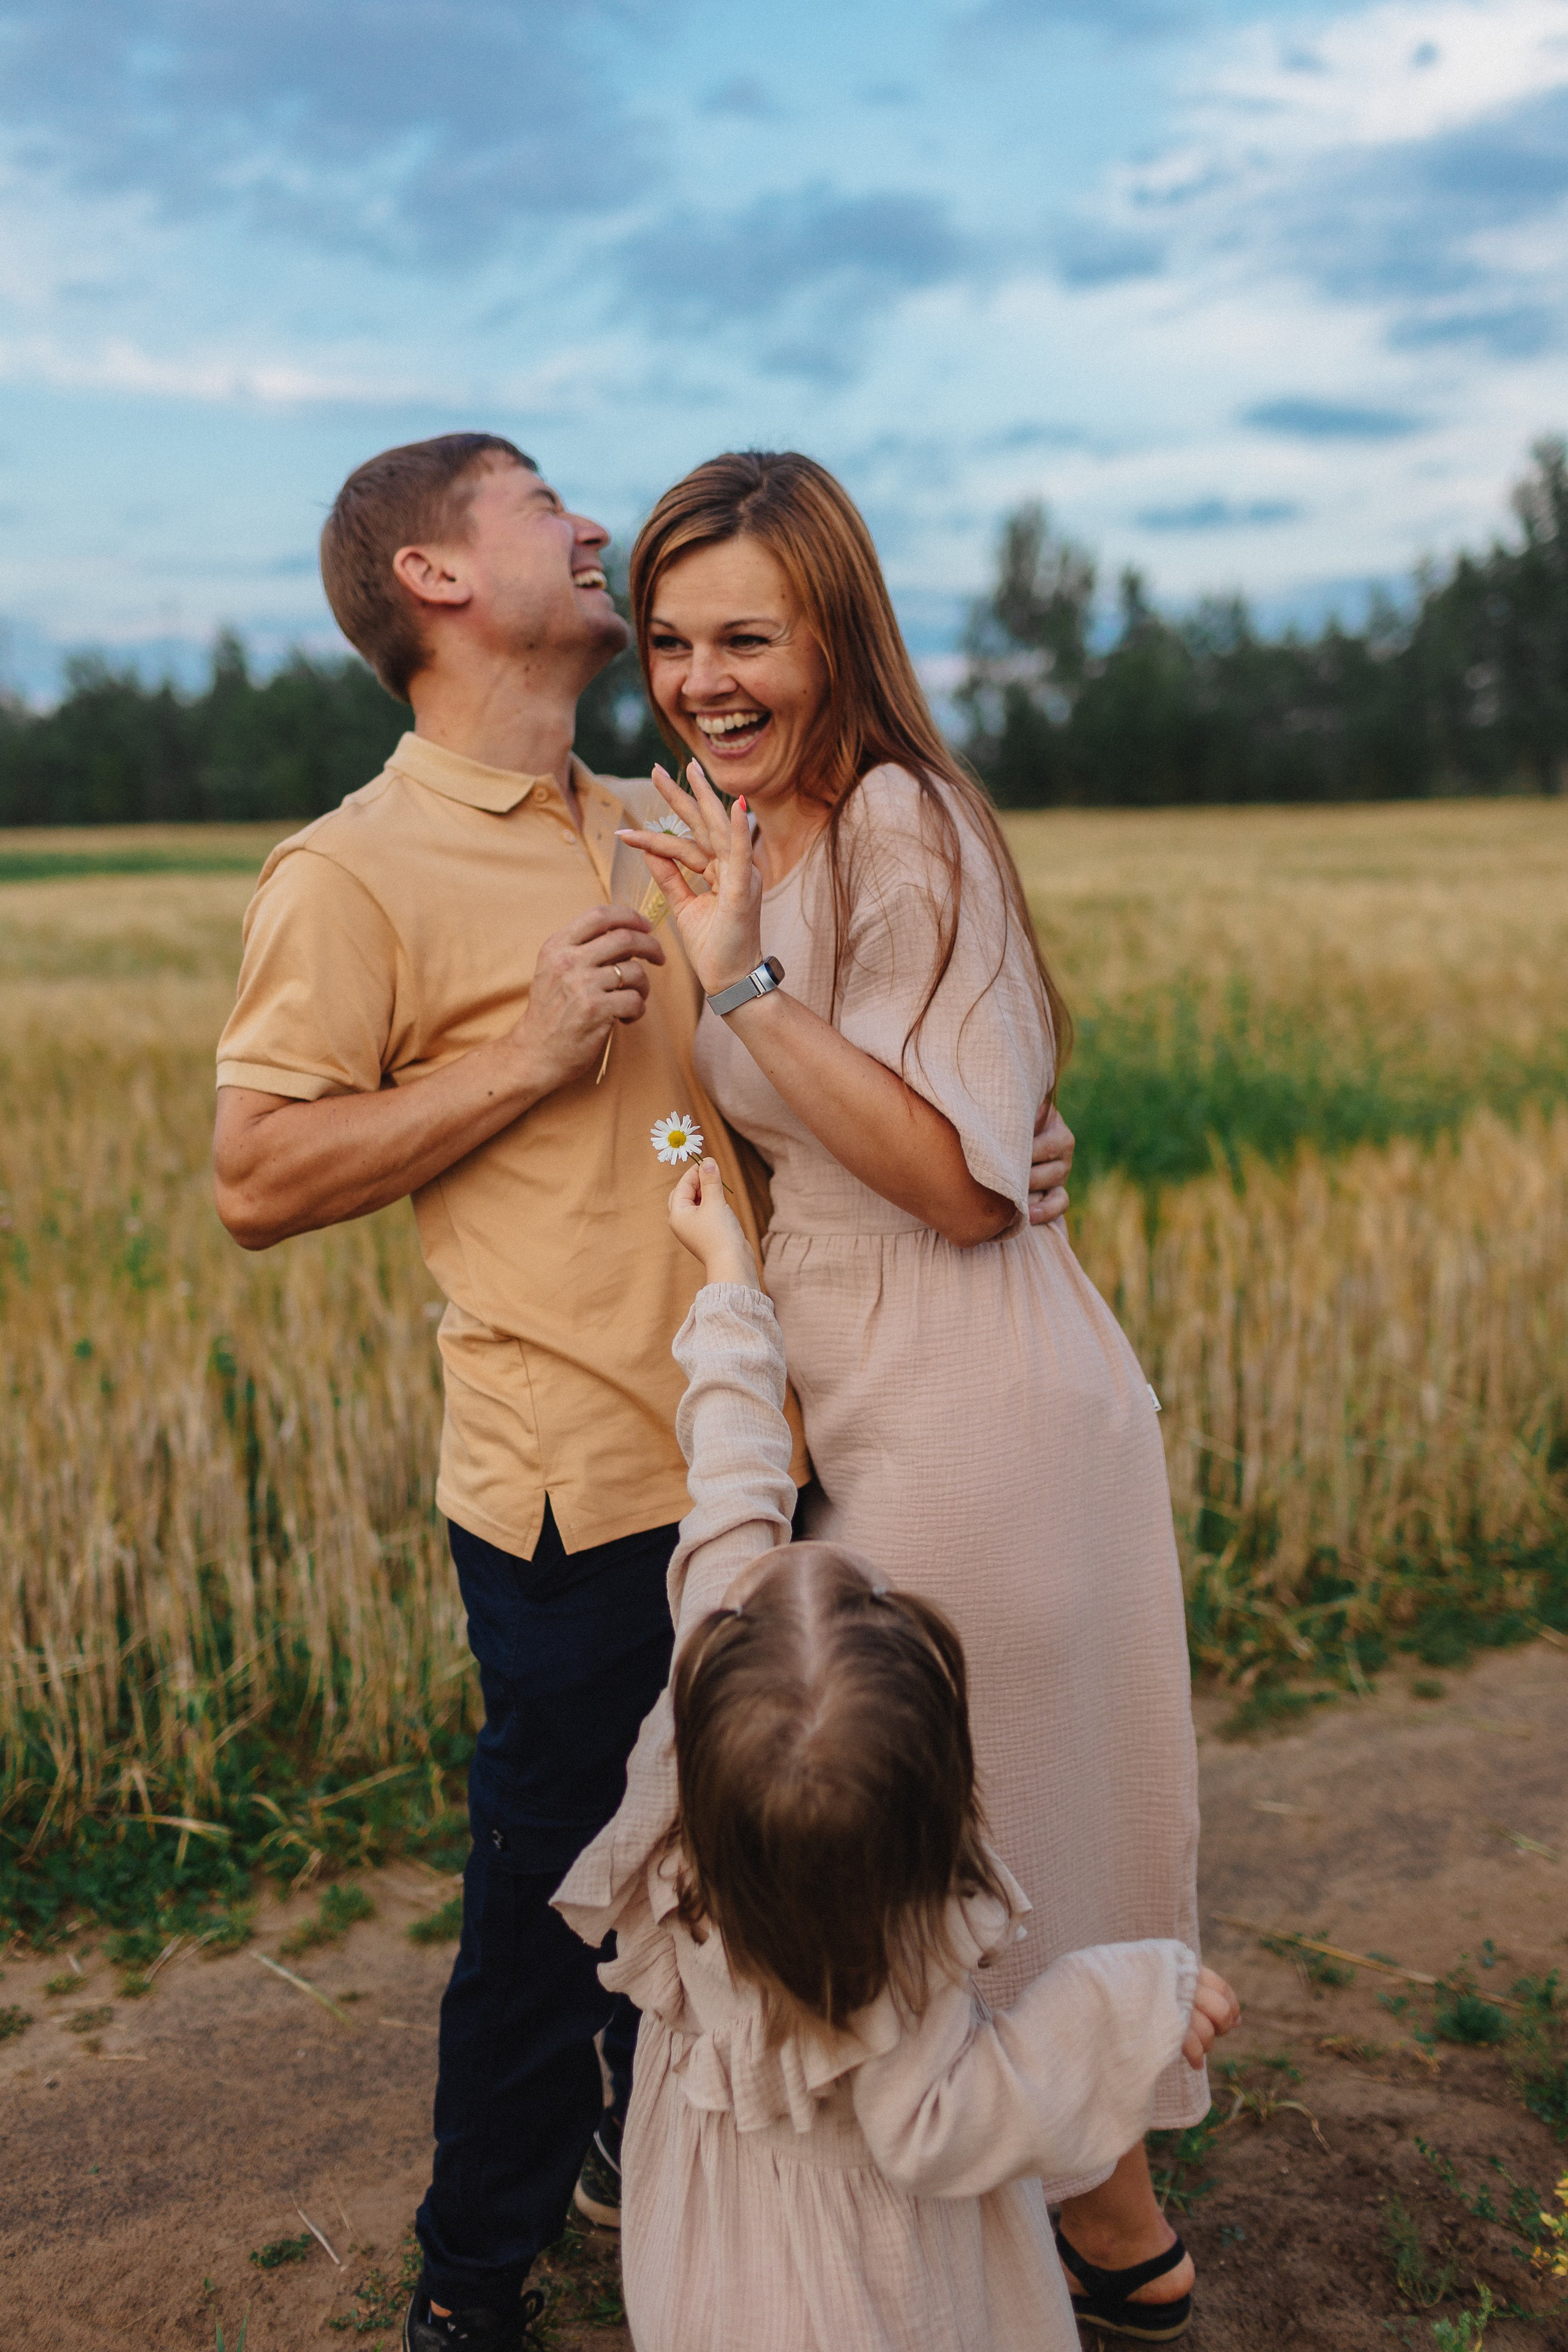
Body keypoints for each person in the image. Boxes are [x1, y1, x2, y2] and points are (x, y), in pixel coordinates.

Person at [210, 432, 1074, 2352]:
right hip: (576, 1483)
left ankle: (766, 2183)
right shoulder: (349, 870)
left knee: (784, 1870)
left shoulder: (667, 815)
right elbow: (255, 1176)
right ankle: (471, 2286)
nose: (591, 523)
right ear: (434, 578)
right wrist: (523, 1056)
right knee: (556, 1915)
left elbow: (809, 1063)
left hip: (780, 1439)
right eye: (539, 504)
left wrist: (992, 1137)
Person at [616, 448, 1208, 2339]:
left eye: (746, 637)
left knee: (963, 1835)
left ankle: (1086, 2240)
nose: (704, 677)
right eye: (671, 638)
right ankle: (1044, 2245)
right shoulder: (743, 824)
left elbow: (958, 1178)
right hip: (858, 1362)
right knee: (930, 1837)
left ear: (835, 629)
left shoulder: (902, 824)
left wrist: (754, 988)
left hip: (974, 1402)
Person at [555, 1155, 1240, 2352]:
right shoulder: (892, 1939)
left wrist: (725, 1277)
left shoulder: (696, 1725)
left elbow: (732, 1493)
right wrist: (1133, 2004)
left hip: (711, 2265)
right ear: (936, 1817)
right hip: (874, 2292)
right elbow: (958, 2118)